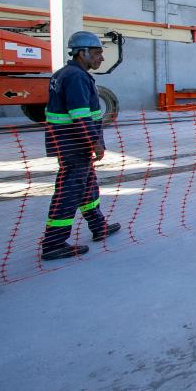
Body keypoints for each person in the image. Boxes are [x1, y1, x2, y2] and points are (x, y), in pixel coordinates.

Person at [40, 31, 120, 260]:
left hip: (71, 143)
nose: (101, 59)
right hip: (74, 145)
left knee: (86, 187)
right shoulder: (76, 77)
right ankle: (53, 243)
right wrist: (93, 142)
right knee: (69, 192)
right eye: (96, 53)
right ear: (81, 53)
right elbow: (80, 115)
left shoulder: (64, 74)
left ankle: (98, 226)